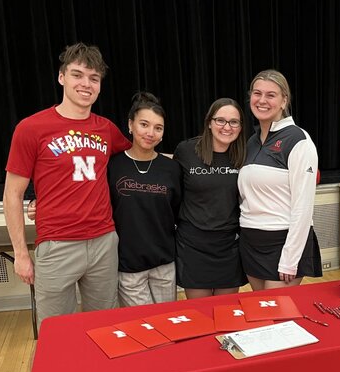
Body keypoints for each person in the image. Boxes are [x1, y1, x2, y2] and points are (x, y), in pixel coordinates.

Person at [3, 43, 131, 329]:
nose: (86, 84)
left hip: (103, 242)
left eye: (94, 78)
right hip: (57, 244)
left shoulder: (106, 128)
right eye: (77, 75)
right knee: (57, 332)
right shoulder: (31, 128)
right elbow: (12, 194)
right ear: (62, 77)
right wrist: (21, 255)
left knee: (106, 327)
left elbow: (142, 156)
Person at [238, 69, 322, 290]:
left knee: (276, 316)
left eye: (270, 95)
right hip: (251, 242)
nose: (262, 100)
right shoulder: (251, 142)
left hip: (283, 244)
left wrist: (290, 259)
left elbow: (303, 206)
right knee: (261, 314)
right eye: (257, 93)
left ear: (284, 100)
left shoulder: (299, 140)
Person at [107, 92, 181, 306]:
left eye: (158, 128)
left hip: (164, 264)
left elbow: (176, 212)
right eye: (144, 125)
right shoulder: (113, 166)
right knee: (143, 331)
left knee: (169, 324)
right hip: (128, 267)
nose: (151, 133)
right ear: (130, 125)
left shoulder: (172, 168)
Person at [172, 98, 248, 299]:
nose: (226, 127)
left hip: (229, 245)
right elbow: (173, 191)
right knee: (199, 314)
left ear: (240, 127)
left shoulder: (246, 155)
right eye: (220, 120)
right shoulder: (187, 151)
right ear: (209, 122)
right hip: (193, 244)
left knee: (226, 312)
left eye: (234, 122)